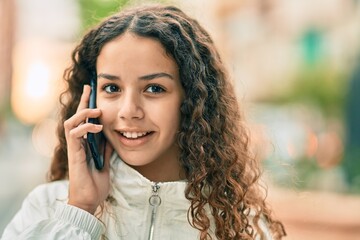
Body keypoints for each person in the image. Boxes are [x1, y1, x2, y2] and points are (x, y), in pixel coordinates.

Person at [1, 4, 285, 240]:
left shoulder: (237, 226)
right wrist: (80, 211)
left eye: (154, 89)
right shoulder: (47, 208)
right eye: (112, 88)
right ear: (89, 99)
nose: (129, 111)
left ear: (192, 100)